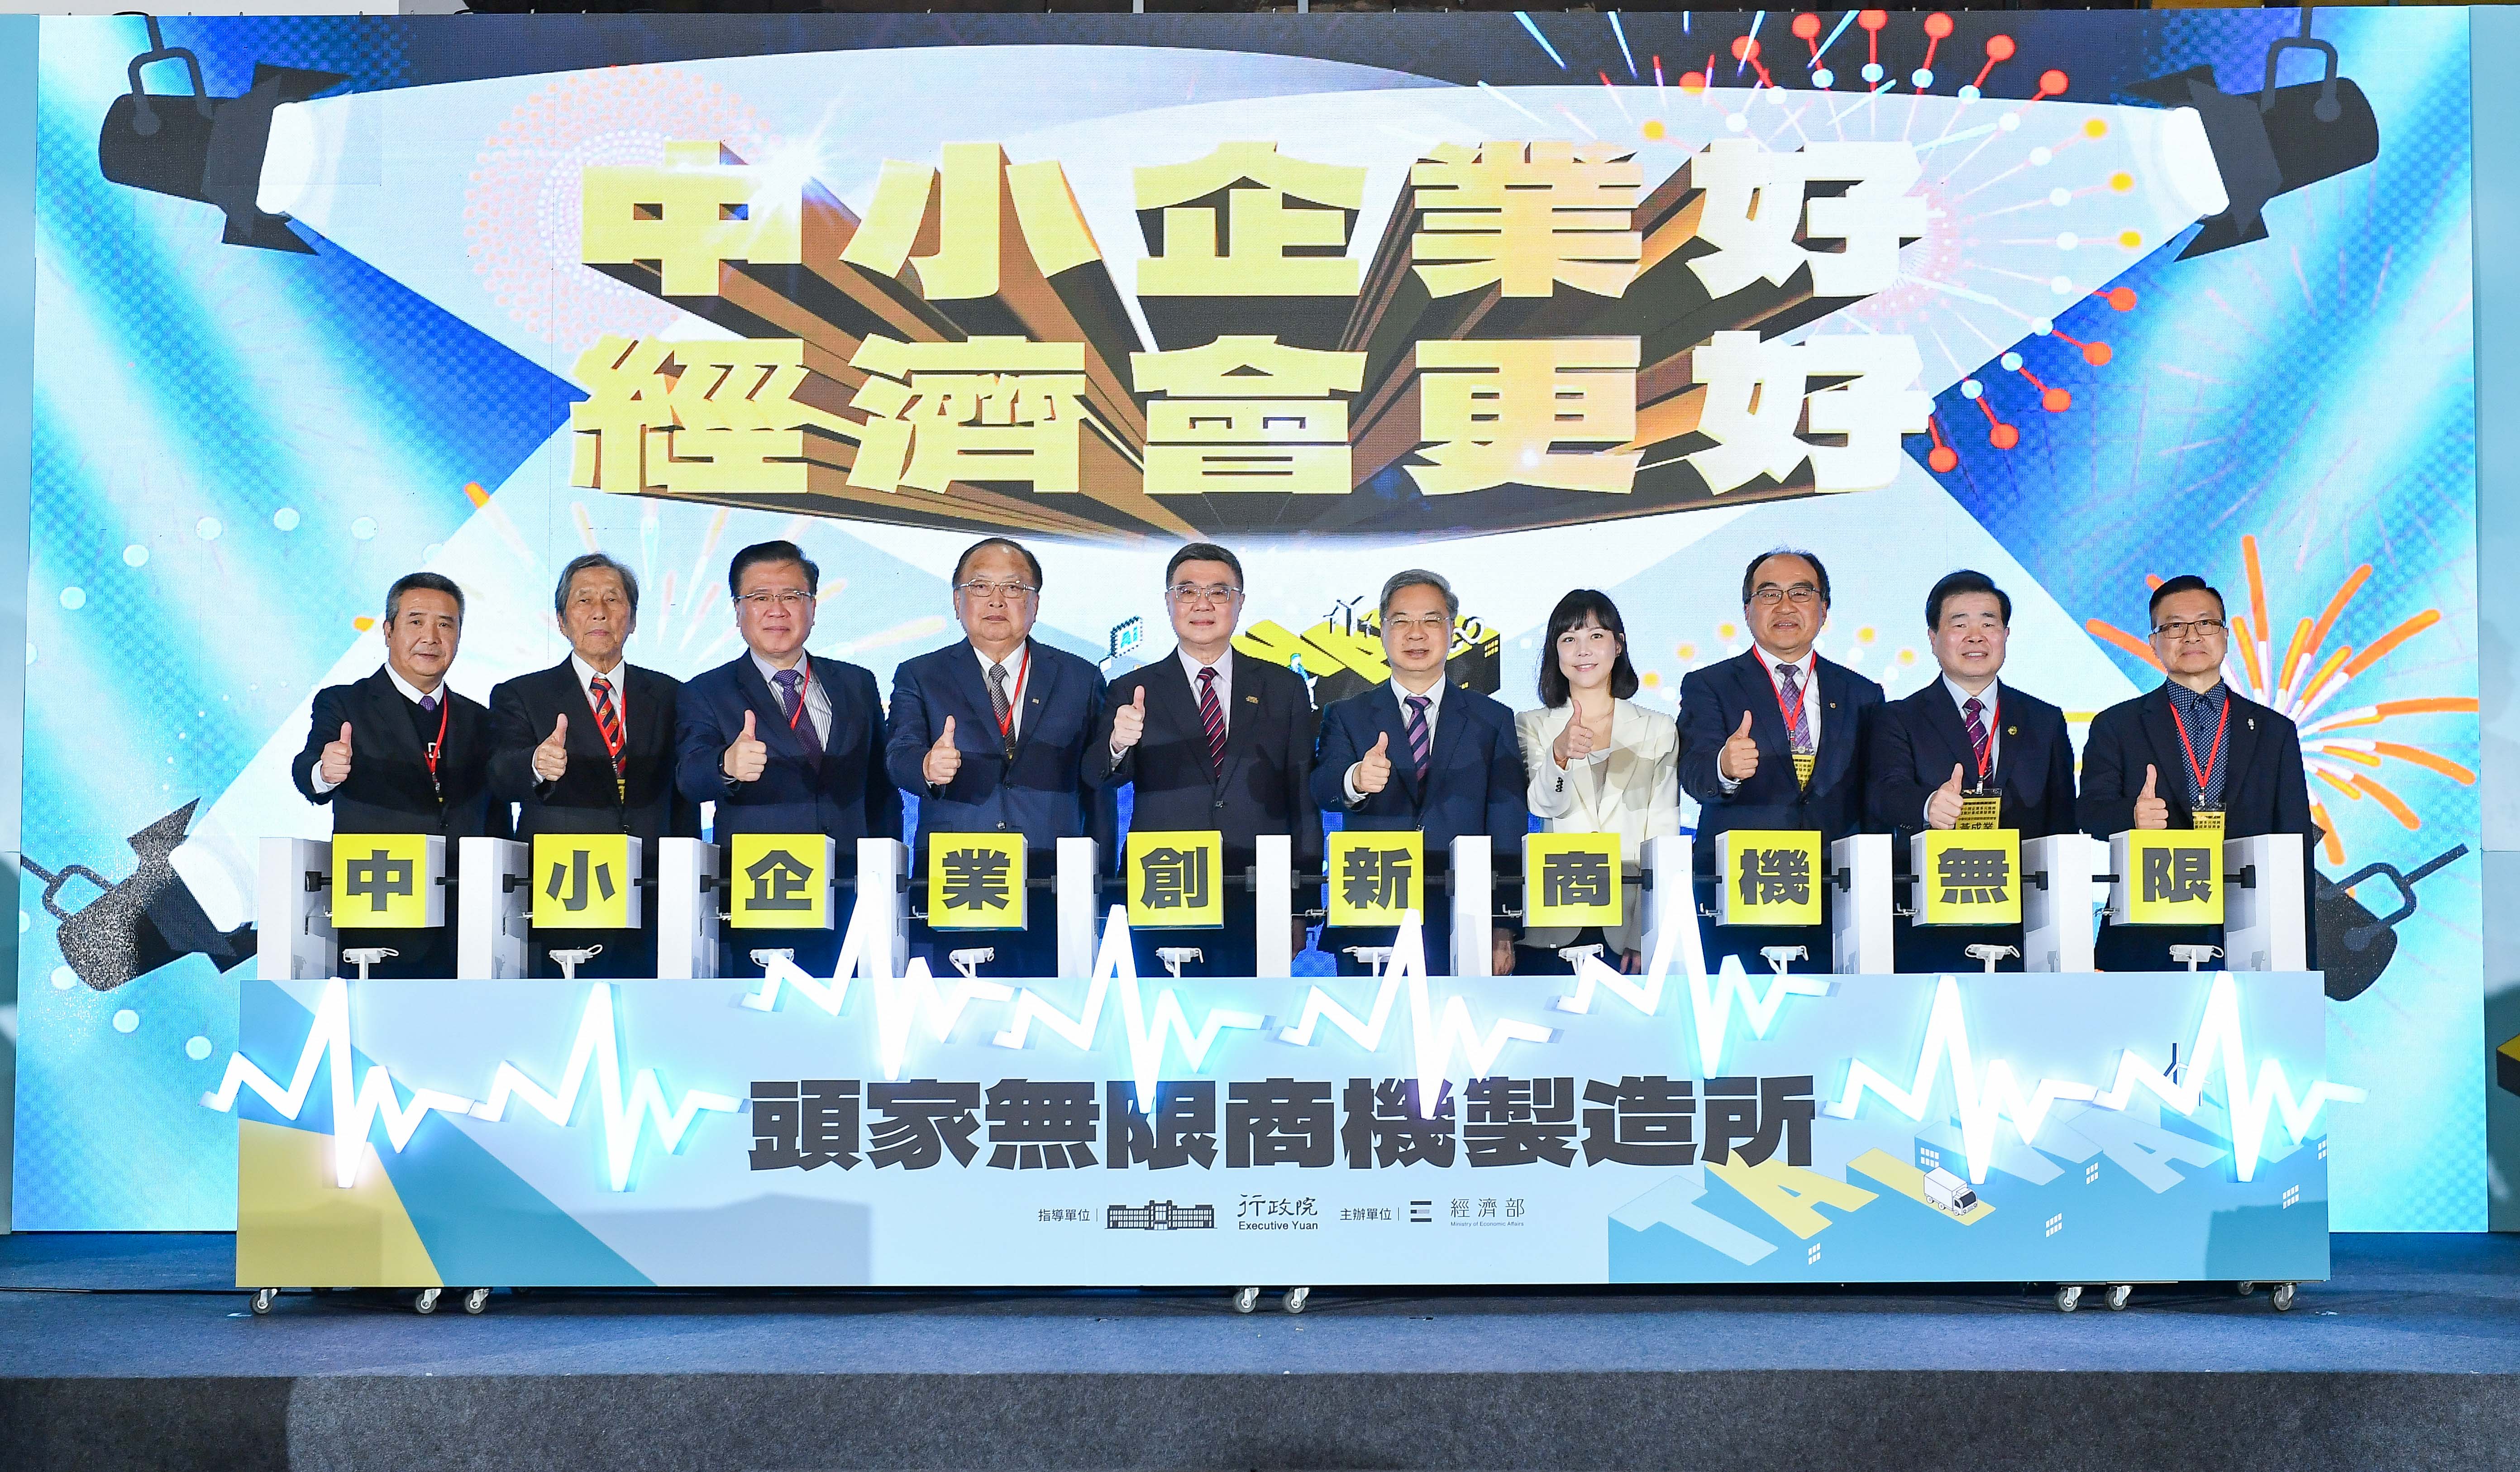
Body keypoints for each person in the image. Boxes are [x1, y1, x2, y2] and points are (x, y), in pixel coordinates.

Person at [1090, 543, 1319, 979]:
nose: (1202, 604)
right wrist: (1117, 744)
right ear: (1168, 602)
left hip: (1258, 891)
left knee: (1259, 1012)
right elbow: (1096, 776)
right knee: (1160, 1012)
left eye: (1218, 592)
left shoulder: (1283, 687)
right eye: (1188, 591)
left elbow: (1303, 802)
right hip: (1164, 882)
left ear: (1240, 603)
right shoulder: (1132, 689)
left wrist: (1300, 904)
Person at [884, 537, 1111, 978]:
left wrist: (1101, 878)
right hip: (958, 874)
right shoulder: (920, 674)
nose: (996, 600)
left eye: (1013, 587)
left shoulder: (1079, 677)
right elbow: (898, 754)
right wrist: (927, 767)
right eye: (981, 586)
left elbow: (1096, 789)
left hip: (1052, 876)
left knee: (1058, 1001)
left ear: (1035, 603)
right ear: (957, 601)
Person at [674, 540, 901, 977]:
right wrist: (726, 765)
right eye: (760, 597)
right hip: (765, 889)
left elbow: (881, 791)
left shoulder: (856, 683)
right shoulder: (706, 690)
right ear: (738, 611)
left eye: (792, 596)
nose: (777, 610)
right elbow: (689, 776)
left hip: (852, 891)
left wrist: (885, 874)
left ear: (812, 607)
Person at [2079, 574, 2318, 971]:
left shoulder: (2274, 731)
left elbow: (2294, 844)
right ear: (2154, 642)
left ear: (2225, 636)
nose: (2191, 636)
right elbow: (2089, 814)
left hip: (2249, 933)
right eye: (2174, 626)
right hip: (2146, 931)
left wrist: (2301, 956)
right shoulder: (2117, 725)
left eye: (2205, 623)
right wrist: (2132, 816)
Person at [489, 552, 698, 978]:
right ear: (562, 621)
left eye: (613, 599)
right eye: (584, 600)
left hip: (654, 891)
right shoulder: (522, 694)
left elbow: (685, 793)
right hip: (563, 889)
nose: (599, 612)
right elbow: (499, 774)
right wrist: (536, 764)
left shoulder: (673, 694)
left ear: (633, 619)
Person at [1311, 569, 1525, 977]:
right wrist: (1356, 780)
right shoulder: (1346, 714)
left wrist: (1502, 925)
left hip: (1462, 913)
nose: (1416, 633)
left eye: (1431, 620)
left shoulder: (1492, 718)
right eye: (1401, 621)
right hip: (1371, 901)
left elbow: (1507, 824)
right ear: (1382, 631)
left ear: (1452, 630)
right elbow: (1323, 788)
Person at [1678, 548, 1884, 972]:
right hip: (1741, 887)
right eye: (1770, 594)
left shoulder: (1863, 694)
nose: (1786, 606)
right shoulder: (1709, 684)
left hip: (1834, 890)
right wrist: (1724, 767)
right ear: (1747, 611)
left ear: (1824, 609)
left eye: (1801, 593)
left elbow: (1876, 791)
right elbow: (1694, 772)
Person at [291, 571, 504, 978]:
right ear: (388, 631)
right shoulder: (345, 703)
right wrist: (326, 771)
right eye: (416, 622)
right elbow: (307, 770)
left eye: (446, 625)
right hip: (378, 919)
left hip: (466, 930)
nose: (431, 637)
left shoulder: (480, 720)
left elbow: (496, 818)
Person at [1865, 570, 2077, 974]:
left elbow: (2062, 823)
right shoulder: (1898, 718)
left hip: (2023, 926)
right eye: (1959, 625)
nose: (1976, 637)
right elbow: (1884, 794)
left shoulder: (2044, 720)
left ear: (2006, 635)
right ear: (1933, 638)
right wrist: (1928, 805)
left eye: (1988, 624)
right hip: (1929, 921)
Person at [1513, 590, 1679, 975]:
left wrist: (1645, 932)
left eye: (1596, 636)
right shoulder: (1532, 724)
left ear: (1618, 646)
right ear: (1556, 652)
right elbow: (1544, 804)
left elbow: (1663, 833)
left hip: (1626, 923)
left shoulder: (1657, 728)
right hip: (1557, 912)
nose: (1583, 650)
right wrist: (1559, 755)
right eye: (1569, 639)